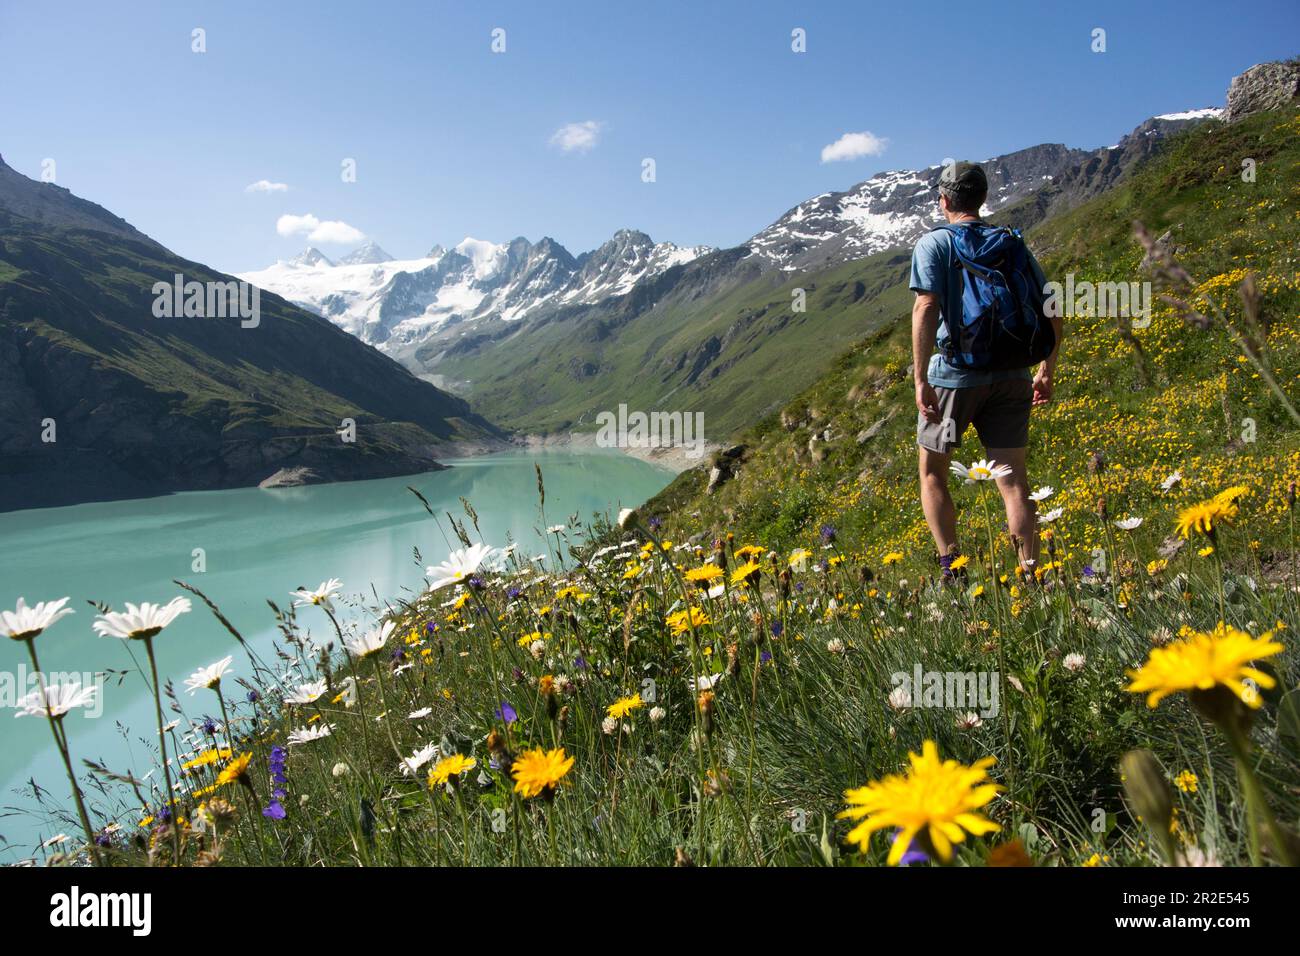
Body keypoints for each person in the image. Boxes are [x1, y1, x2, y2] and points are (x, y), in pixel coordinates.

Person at [910, 161, 1061, 579]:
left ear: (944, 201)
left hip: (954, 378)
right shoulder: (1011, 243)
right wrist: (1046, 370)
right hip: (1013, 373)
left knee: (933, 471)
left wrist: (921, 379)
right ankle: (1031, 574)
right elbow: (1052, 308)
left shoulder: (934, 244)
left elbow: (926, 307)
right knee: (1012, 479)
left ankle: (952, 567)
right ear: (983, 198)